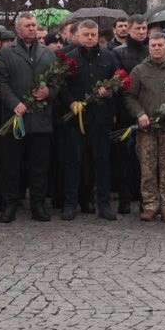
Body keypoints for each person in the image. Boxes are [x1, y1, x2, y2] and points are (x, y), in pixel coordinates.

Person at [0, 12, 55, 224]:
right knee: (11, 164)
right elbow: (0, 82)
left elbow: (58, 81)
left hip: (40, 119)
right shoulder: (6, 53)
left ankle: (38, 204)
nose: (32, 28)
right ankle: (10, 203)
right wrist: (14, 103)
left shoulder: (48, 53)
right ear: (17, 29)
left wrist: (49, 91)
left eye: (34, 25)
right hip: (15, 118)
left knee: (39, 165)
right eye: (27, 25)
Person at [59, 18, 122, 221]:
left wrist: (110, 91)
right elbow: (61, 86)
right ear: (77, 36)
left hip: (101, 118)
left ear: (98, 36)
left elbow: (118, 83)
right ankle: (70, 203)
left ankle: (103, 204)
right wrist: (71, 102)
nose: (89, 38)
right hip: (76, 118)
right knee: (73, 161)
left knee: (102, 161)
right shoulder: (68, 58)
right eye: (85, 34)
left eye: (93, 35)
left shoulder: (109, 57)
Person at [123, 29, 165, 222]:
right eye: (153, 45)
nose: (157, 48)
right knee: (148, 169)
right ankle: (150, 205)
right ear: (149, 48)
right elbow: (129, 96)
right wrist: (140, 113)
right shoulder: (139, 71)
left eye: (160, 45)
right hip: (147, 130)